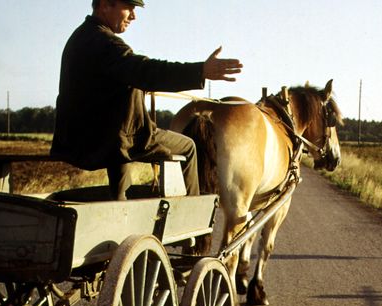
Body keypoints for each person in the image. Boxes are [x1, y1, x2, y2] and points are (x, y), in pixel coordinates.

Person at [51, 0, 243, 199]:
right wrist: (200, 71)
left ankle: (119, 205)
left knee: (120, 150)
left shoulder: (79, 37)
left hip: (87, 138)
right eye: (129, 8)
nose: (133, 16)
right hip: (109, 139)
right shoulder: (106, 43)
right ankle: (196, 224)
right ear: (105, 5)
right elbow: (146, 71)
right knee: (189, 147)